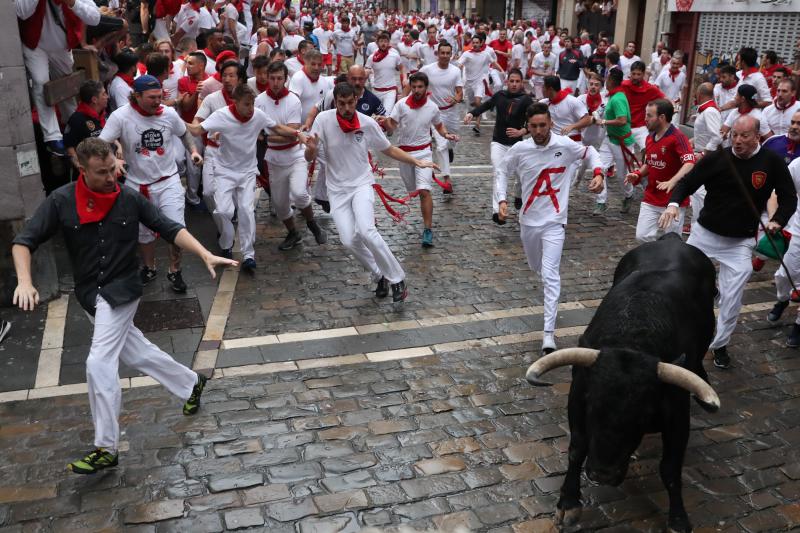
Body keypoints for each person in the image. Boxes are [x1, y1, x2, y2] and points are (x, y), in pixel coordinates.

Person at [12, 137, 237, 474]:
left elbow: (169, 227)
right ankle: (190, 382)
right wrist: (25, 281)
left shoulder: (129, 198)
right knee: (134, 352)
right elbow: (23, 242)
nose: (110, 177)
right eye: (101, 173)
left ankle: (106, 447)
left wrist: (204, 253)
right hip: (90, 294)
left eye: (112, 169)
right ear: (82, 170)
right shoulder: (60, 201)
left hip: (121, 291)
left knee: (98, 362)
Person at [659, 115, 797, 368]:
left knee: (732, 298)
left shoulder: (771, 162)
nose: (738, 140)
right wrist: (673, 204)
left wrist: (778, 220)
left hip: (740, 242)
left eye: (744, 136)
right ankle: (678, 341)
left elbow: (789, 197)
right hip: (705, 235)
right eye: (734, 134)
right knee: (682, 285)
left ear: (757, 136)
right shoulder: (717, 158)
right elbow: (688, 183)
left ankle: (720, 344)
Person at [304, 82, 437, 302]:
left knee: (366, 230)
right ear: (335, 102)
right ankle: (379, 274)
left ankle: (397, 278)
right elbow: (310, 157)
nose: (346, 108)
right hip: (336, 190)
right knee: (348, 240)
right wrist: (310, 148)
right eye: (341, 103)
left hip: (361, 185)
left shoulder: (367, 123)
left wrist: (417, 161)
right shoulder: (323, 120)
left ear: (356, 100)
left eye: (350, 103)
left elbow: (389, 149)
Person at [495, 102, 604, 354]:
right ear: (527, 126)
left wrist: (598, 173)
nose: (538, 130)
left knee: (550, 275)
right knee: (537, 268)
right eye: (533, 126)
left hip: (555, 221)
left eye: (543, 125)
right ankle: (544, 287)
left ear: (551, 123)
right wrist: (501, 200)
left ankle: (548, 334)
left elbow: (589, 153)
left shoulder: (564, 145)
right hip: (528, 222)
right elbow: (502, 171)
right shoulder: (520, 149)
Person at [99, 75, 202, 293]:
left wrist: (193, 151)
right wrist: (114, 159)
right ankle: (149, 267)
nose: (158, 102)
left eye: (159, 96)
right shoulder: (121, 116)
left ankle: (175, 270)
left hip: (168, 181)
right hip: (137, 185)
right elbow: (102, 143)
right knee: (143, 233)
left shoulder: (169, 114)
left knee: (176, 228)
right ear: (136, 96)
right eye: (152, 97)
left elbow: (185, 135)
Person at [187, 84, 306, 271]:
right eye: (246, 104)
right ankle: (226, 243)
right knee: (224, 211)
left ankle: (248, 255)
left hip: (247, 172)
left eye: (252, 104)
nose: (250, 108)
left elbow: (277, 128)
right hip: (224, 171)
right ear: (235, 102)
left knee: (246, 210)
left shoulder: (257, 115)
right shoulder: (222, 115)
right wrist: (174, 120)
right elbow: (196, 130)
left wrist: (298, 134)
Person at [254, 62, 327, 251]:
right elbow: (264, 133)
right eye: (272, 78)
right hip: (275, 159)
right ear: (267, 78)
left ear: (285, 79)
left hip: (295, 155)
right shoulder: (260, 100)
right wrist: (278, 134)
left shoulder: (293, 101)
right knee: (279, 205)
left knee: (299, 192)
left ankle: (312, 224)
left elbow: (291, 131)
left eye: (279, 78)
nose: (276, 82)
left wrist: (268, 135)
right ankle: (293, 233)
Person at [380, 72, 459, 247]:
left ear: (426, 87)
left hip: (424, 153)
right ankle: (425, 220)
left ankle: (427, 230)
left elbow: (438, 125)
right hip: (404, 154)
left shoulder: (432, 107)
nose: (417, 90)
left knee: (424, 190)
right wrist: (384, 122)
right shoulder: (401, 105)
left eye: (420, 87)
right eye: (414, 87)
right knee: (413, 191)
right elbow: (392, 125)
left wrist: (446, 134)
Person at [16, 0, 101, 156]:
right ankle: (52, 136)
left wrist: (73, 3)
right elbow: (21, 12)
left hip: (62, 47)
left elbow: (95, 18)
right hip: (35, 45)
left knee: (67, 88)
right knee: (41, 83)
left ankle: (74, 125)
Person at [464, 68, 533, 215]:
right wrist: (471, 113)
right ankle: (497, 210)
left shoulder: (526, 100)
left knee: (521, 176)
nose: (514, 84)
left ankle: (518, 194)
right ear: (507, 82)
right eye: (511, 81)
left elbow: (533, 121)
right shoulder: (500, 95)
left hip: (518, 145)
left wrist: (523, 131)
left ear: (522, 83)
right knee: (498, 172)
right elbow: (485, 106)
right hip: (499, 142)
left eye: (517, 81)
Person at [625, 99, 695, 242]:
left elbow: (689, 162)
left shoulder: (678, 138)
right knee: (642, 236)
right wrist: (637, 174)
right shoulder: (649, 138)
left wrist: (672, 181)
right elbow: (649, 163)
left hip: (673, 201)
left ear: (661, 118)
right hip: (651, 197)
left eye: (649, 116)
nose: (645, 119)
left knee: (671, 241)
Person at [420, 40, 463, 194]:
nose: (445, 56)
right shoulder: (427, 69)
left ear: (451, 55)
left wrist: (456, 99)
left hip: (451, 112)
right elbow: (414, 82)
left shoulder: (455, 71)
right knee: (441, 145)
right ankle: (447, 179)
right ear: (437, 54)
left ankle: (451, 150)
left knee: (451, 143)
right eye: (442, 53)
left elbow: (459, 92)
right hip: (435, 113)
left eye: (448, 53)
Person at [594, 68, 635, 215]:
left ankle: (628, 195)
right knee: (600, 168)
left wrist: (603, 121)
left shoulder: (618, 98)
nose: (605, 80)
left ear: (611, 80)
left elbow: (622, 120)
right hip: (609, 139)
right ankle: (601, 202)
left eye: (607, 78)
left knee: (622, 175)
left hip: (622, 143)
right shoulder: (612, 96)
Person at [685, 82, 723, 234]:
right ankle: (698, 223)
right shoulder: (705, 111)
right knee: (698, 192)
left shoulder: (709, 112)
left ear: (699, 94)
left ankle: (698, 225)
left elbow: (717, 136)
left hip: (707, 157)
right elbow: (705, 134)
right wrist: (692, 142)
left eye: (695, 93)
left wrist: (703, 153)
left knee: (699, 193)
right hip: (702, 153)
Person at [458, 34, 503, 136]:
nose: (474, 44)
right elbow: (460, 65)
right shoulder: (467, 54)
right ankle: (477, 113)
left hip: (479, 82)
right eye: (473, 43)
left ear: (481, 43)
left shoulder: (485, 54)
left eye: (477, 43)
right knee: (473, 104)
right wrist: (457, 71)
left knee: (478, 102)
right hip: (469, 83)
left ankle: (477, 124)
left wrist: (502, 71)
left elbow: (494, 63)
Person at [65, 81, 109, 174]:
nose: (107, 96)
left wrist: (119, 146)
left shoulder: (104, 114)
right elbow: (70, 147)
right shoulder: (76, 119)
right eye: (104, 94)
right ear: (94, 100)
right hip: (90, 172)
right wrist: (81, 168)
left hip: (107, 165)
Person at [621, 61, 665, 151]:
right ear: (630, 73)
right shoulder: (623, 85)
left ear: (644, 74)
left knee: (649, 149)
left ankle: (646, 164)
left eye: (639, 74)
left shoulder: (650, 88)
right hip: (624, 127)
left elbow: (664, 98)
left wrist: (673, 106)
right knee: (626, 157)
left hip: (640, 127)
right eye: (634, 74)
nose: (636, 77)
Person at [541, 76, 592, 143]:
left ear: (550, 89)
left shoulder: (572, 101)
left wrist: (572, 126)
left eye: (543, 87)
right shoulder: (543, 103)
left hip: (573, 142)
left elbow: (587, 119)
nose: (542, 89)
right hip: (554, 142)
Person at [366, 32, 405, 115]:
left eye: (385, 41)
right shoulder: (372, 57)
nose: (383, 43)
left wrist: (404, 78)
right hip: (376, 90)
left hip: (390, 90)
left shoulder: (394, 56)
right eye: (381, 41)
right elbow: (367, 70)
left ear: (388, 43)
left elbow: (401, 67)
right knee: (378, 115)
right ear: (377, 43)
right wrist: (369, 78)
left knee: (386, 114)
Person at [654, 56, 687, 124]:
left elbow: (683, 89)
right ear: (670, 63)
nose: (675, 65)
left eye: (677, 64)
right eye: (673, 63)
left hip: (675, 103)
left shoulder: (682, 75)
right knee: (662, 123)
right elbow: (656, 87)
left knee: (674, 125)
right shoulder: (663, 74)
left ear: (680, 65)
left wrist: (681, 102)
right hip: (664, 103)